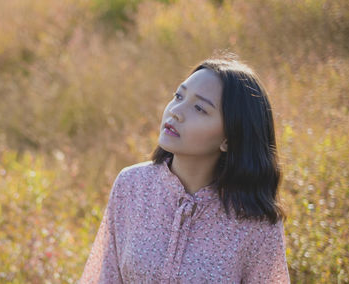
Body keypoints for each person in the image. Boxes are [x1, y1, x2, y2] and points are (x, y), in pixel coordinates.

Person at [80, 54, 291, 283]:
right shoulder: (132, 185)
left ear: (229, 139)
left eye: (199, 108)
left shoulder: (255, 220)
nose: (176, 111)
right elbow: (106, 277)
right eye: (178, 96)